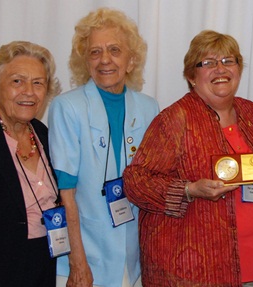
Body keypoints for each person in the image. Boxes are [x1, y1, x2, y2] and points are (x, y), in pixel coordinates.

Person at [123, 30, 253, 286]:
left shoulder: (251, 113)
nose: (220, 69)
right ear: (192, 76)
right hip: (193, 273)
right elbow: (135, 181)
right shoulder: (175, 119)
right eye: (208, 63)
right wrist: (189, 190)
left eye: (228, 60)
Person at [48, 7, 159, 287]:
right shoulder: (67, 107)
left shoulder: (149, 107)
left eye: (114, 50)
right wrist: (78, 262)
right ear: (85, 62)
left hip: (134, 257)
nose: (104, 60)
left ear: (131, 61)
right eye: (95, 52)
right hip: (87, 253)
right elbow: (66, 194)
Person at [0, 41, 62, 286]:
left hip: (44, 266)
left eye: (38, 83)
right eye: (17, 81)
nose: (29, 91)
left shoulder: (43, 133)